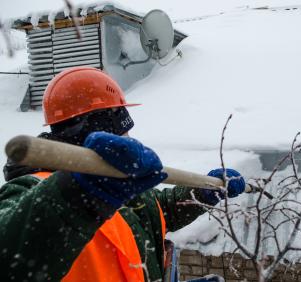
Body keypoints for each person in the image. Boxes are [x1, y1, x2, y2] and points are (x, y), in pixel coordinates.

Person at [0, 67, 246, 282]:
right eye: (122, 128)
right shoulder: (33, 190)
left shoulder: (116, 184)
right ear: (98, 129)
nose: (128, 137)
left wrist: (201, 192)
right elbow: (9, 259)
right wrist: (77, 196)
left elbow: (157, 210)